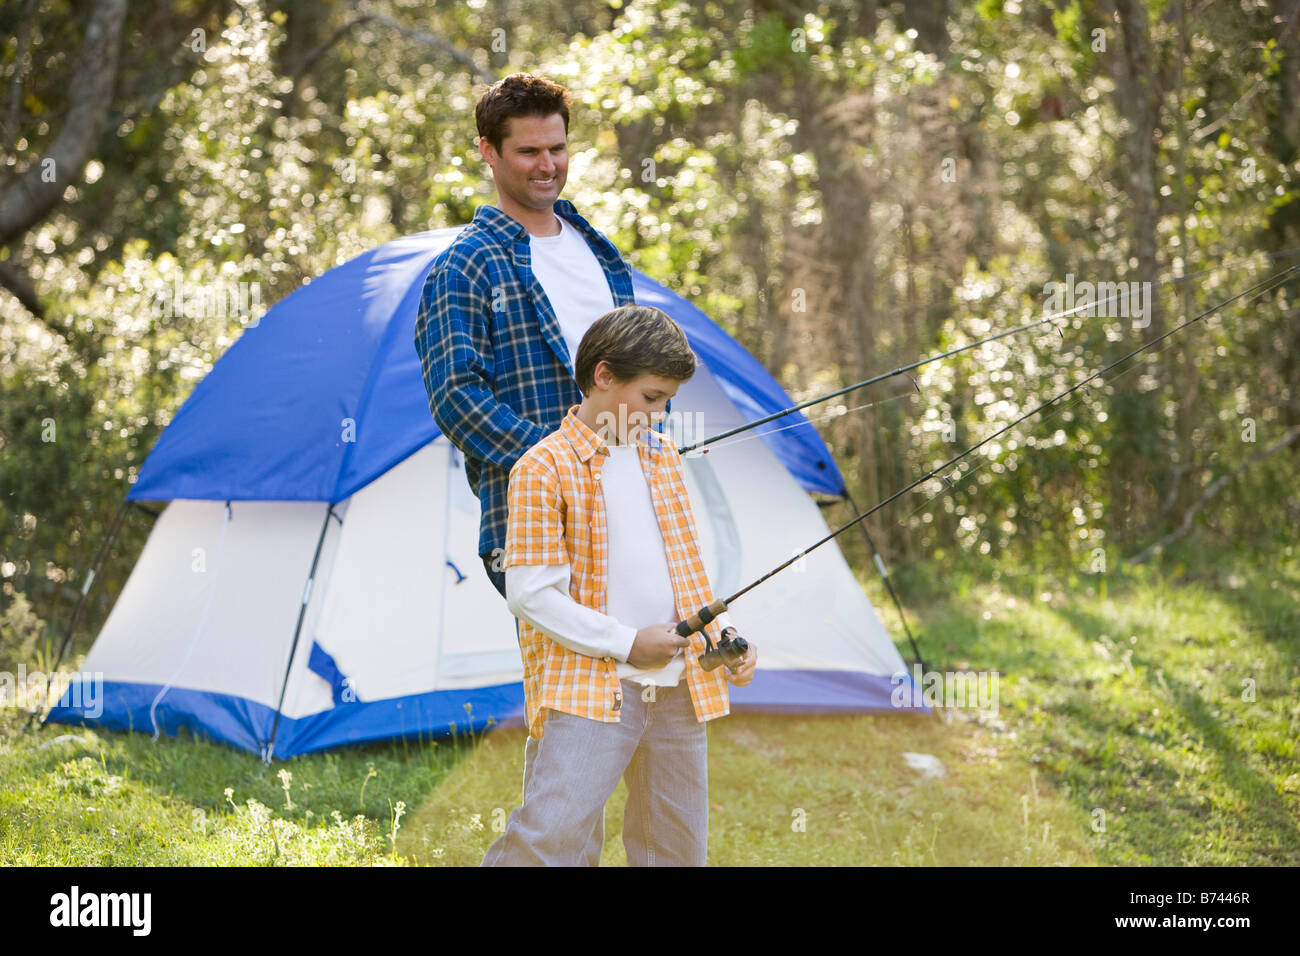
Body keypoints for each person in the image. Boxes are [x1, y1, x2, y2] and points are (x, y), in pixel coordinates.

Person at [481, 304, 757, 867]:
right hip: (590, 690)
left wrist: (724, 632)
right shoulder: (544, 466)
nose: (658, 415)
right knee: (551, 841)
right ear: (604, 376)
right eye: (652, 398)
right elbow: (530, 593)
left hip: (679, 689)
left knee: (674, 848)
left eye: (666, 403)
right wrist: (630, 643)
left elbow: (686, 570)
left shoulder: (661, 456)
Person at [413, 71, 660, 599]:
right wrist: (560, 459)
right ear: (489, 152)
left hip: (632, 501)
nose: (548, 166)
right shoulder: (464, 267)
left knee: (646, 669)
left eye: (558, 148)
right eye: (529, 151)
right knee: (572, 679)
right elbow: (457, 398)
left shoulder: (600, 251)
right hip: (536, 517)